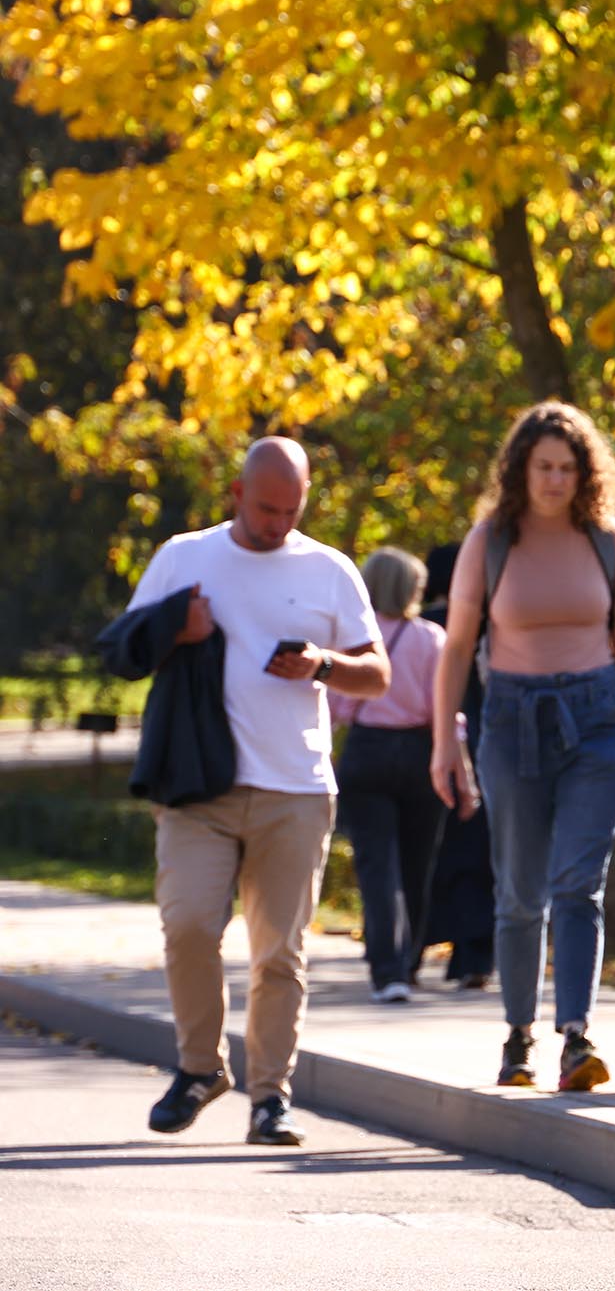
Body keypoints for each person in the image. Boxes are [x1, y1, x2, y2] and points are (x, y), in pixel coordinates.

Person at [120, 438, 390, 1146]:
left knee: (278, 954)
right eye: (267, 508)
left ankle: (271, 1098)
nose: (277, 523)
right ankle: (200, 1068)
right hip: (198, 785)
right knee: (186, 926)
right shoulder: (184, 555)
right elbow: (124, 647)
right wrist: (177, 629)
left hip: (294, 787)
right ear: (237, 494)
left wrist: (323, 665)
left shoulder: (329, 569)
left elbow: (378, 674)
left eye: (291, 510)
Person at [429, 402, 615, 1092]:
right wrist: (447, 738)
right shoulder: (490, 541)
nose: (555, 480)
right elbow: (456, 646)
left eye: (568, 468)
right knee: (520, 891)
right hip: (511, 718)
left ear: (585, 473)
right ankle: (517, 1036)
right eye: (544, 467)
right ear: (520, 469)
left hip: (596, 719)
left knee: (578, 884)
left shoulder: (610, 541)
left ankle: (576, 1037)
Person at [330, 546, 447, 1004]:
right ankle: (410, 959)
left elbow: (337, 706)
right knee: (418, 864)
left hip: (368, 751)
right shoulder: (431, 638)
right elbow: (444, 711)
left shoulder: (355, 642)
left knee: (378, 867)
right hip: (420, 751)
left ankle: (387, 968)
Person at [418, 543, 495, 989]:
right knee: (479, 856)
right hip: (486, 743)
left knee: (431, 854)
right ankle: (474, 957)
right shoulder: (491, 624)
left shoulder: (425, 624)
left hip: (432, 743)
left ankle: (410, 950)